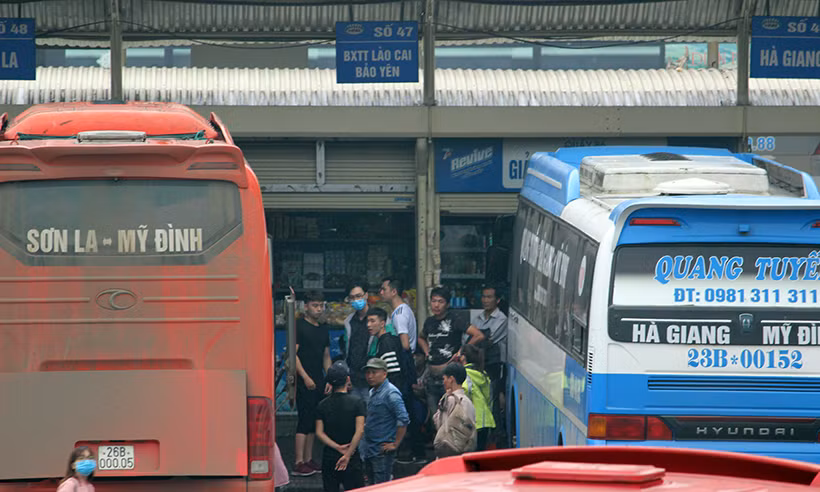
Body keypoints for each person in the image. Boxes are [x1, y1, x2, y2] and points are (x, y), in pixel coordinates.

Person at [418, 286, 485, 426]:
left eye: (440, 301)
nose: (436, 305)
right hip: (431, 377)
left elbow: (478, 335)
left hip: (449, 377)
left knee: (452, 417)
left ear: (447, 304)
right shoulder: (429, 322)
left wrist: (461, 352)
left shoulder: (455, 319)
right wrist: (426, 351)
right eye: (434, 301)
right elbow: (421, 338)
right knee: (435, 418)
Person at [293, 290, 332, 477]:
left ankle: (309, 459)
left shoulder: (323, 328)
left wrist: (330, 377)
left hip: (318, 379)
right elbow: (292, 355)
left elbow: (326, 356)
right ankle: (298, 461)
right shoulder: (298, 326)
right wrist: (305, 377)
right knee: (304, 420)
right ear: (306, 306)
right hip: (303, 380)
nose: (318, 309)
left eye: (321, 305)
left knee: (314, 421)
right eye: (315, 305)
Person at [315, 361, 366, 492]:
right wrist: (348, 455)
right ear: (348, 379)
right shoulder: (357, 402)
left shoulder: (322, 405)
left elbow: (319, 433)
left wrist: (337, 447)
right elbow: (359, 431)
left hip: (330, 456)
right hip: (352, 457)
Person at [471, 284, 508, 447]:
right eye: (484, 296)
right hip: (476, 366)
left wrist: (476, 340)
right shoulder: (477, 318)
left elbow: (488, 339)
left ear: (497, 300)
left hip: (492, 365)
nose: (485, 300)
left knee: (491, 401)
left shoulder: (502, 320)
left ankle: (495, 438)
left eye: (489, 297)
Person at [362, 357, 409, 484]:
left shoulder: (391, 393)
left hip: (382, 450)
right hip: (370, 448)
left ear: (384, 374)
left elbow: (403, 419)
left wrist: (395, 444)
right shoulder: (373, 391)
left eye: (374, 372)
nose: (370, 376)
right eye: (368, 372)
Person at [433, 362, 477, 459]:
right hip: (465, 450)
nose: (443, 382)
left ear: (451, 379)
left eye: (444, 378)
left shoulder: (449, 400)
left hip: (449, 452)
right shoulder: (468, 401)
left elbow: (439, 423)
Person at [459, 344, 495, 451]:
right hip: (485, 420)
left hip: (471, 420)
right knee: (480, 452)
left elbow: (465, 393)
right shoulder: (483, 374)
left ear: (464, 357)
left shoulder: (464, 374)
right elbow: (489, 397)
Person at [343, 280, 373, 403]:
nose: (356, 300)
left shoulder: (378, 318)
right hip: (354, 378)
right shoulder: (348, 321)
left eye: (359, 296)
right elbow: (347, 350)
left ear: (366, 295)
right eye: (352, 297)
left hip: (372, 378)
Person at [367, 307, 406, 392]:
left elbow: (393, 374)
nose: (368, 325)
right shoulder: (382, 341)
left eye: (372, 321)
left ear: (382, 324)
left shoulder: (386, 343)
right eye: (368, 321)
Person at [379, 277, 417, 353]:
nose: (381, 292)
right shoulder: (402, 309)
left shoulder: (400, 314)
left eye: (384, 289)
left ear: (394, 292)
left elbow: (405, 345)